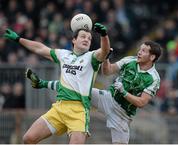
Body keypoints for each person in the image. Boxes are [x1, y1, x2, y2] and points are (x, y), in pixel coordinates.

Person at [26, 40, 162, 144]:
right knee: (78, 89)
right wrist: (106, 58)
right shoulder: (130, 61)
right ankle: (42, 83)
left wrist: (124, 92)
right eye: (140, 49)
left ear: (152, 57)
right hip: (108, 98)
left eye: (144, 51)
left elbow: (142, 102)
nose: (139, 52)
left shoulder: (154, 78)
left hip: (123, 115)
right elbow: (107, 71)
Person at [3, 22, 110, 144]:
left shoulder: (92, 58)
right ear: (74, 40)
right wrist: (18, 39)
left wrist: (104, 35)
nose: (86, 39)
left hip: (78, 111)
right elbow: (40, 48)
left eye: (89, 38)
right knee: (28, 138)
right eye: (83, 36)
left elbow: (105, 51)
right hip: (59, 108)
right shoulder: (64, 55)